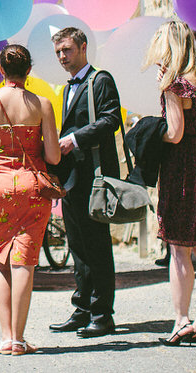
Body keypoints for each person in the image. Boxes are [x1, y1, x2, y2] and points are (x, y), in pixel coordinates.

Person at [0, 45, 62, 356]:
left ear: (1, 70)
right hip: (33, 188)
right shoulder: (42, 104)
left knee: (0, 260)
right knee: (25, 261)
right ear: (28, 70)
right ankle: (20, 340)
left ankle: (6, 337)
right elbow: (52, 155)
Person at [145, 20, 196, 346]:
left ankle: (181, 321)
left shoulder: (174, 83)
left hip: (182, 165)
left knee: (179, 248)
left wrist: (151, 134)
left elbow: (175, 133)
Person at [47, 26, 122, 339]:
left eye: (67, 50)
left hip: (95, 176)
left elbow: (112, 119)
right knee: (77, 246)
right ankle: (82, 309)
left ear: (82, 47)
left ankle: (103, 314)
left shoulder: (100, 80)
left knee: (97, 247)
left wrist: (74, 139)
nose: (63, 57)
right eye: (58, 53)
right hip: (73, 180)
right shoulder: (66, 90)